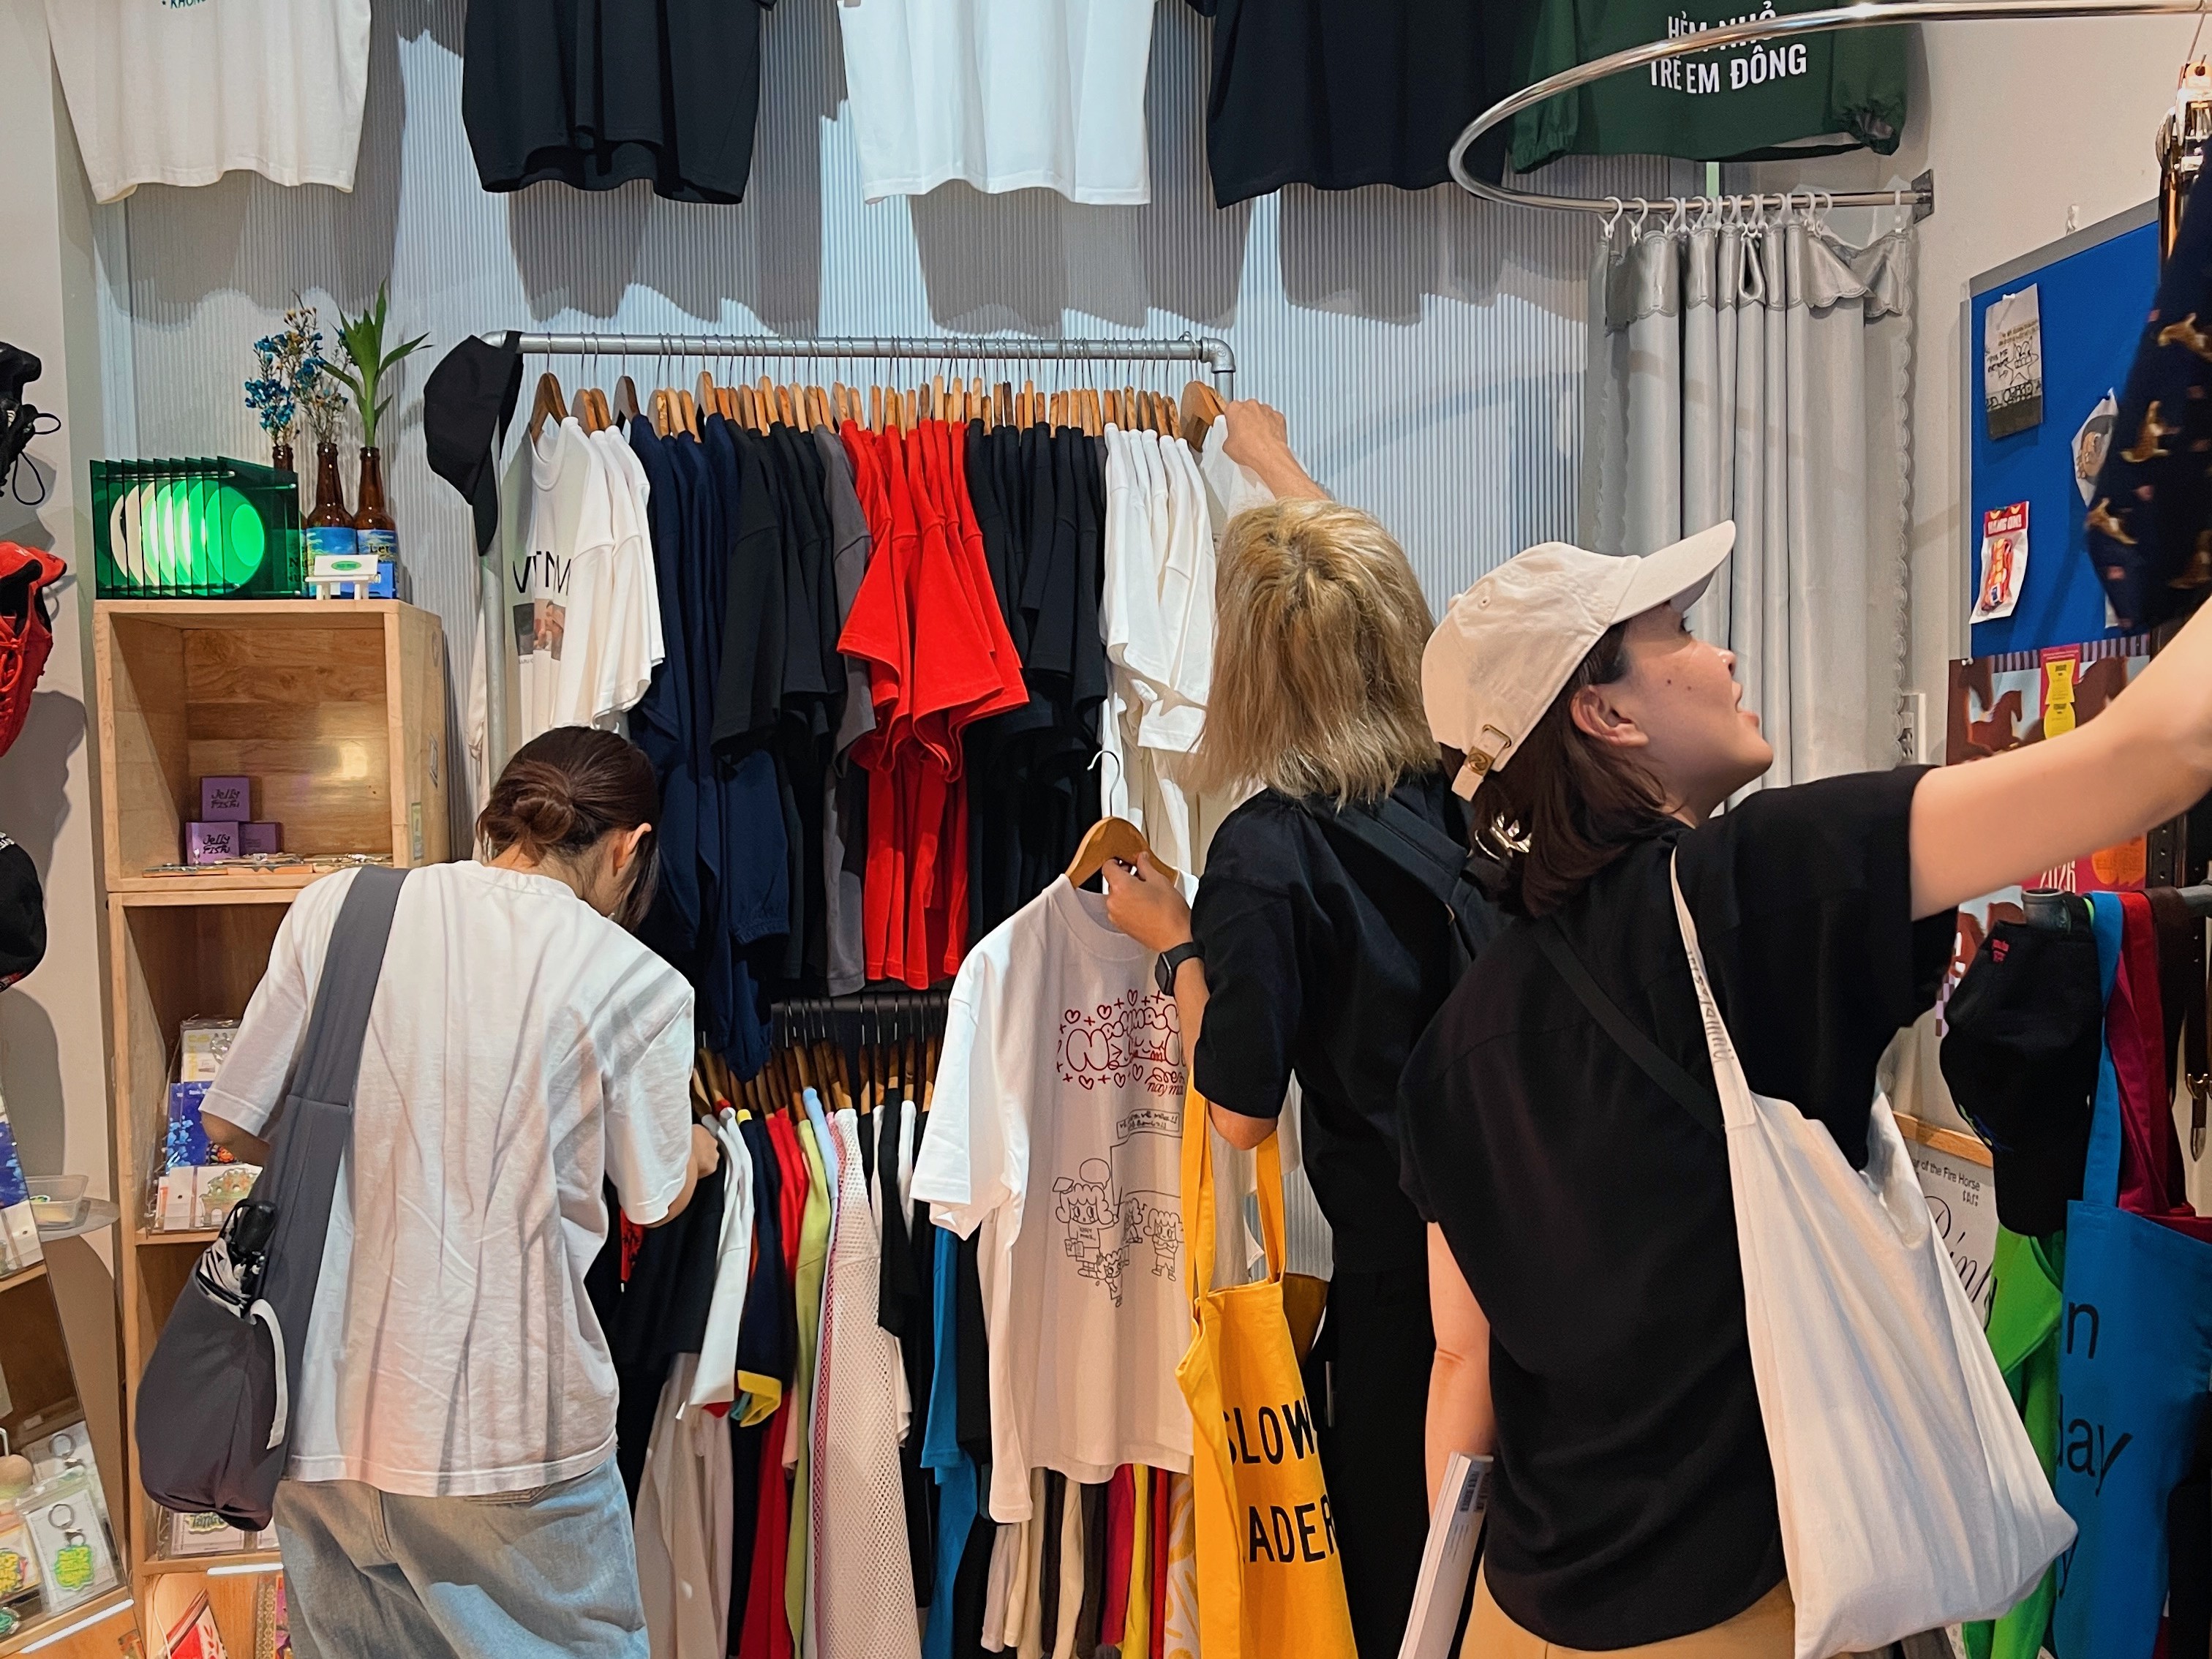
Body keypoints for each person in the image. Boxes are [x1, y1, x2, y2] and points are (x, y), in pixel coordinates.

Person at [1404, 523, 2212, 1658]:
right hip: (1748, 1615)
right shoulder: (1752, 888)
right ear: (1609, 714)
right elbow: (2158, 754)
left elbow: (1464, 1365)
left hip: (1519, 1613)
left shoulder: (1452, 1046)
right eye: (1678, 633)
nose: (1723, 657)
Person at [1103, 420, 1502, 1658]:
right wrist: (1276, 474)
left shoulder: (1264, 853)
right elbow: (1375, 611)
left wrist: (1171, 945)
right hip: (1541, 1239)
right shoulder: (1474, 778)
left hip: (1403, 1274)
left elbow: (1237, 1110)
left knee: (1403, 1577)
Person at [203, 726, 719, 1659]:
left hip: (322, 1420)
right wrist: (699, 1151)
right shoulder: (635, 982)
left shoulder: (339, 909)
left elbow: (232, 1123)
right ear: (628, 849)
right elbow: (652, 1198)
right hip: (510, 1437)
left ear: (500, 818)